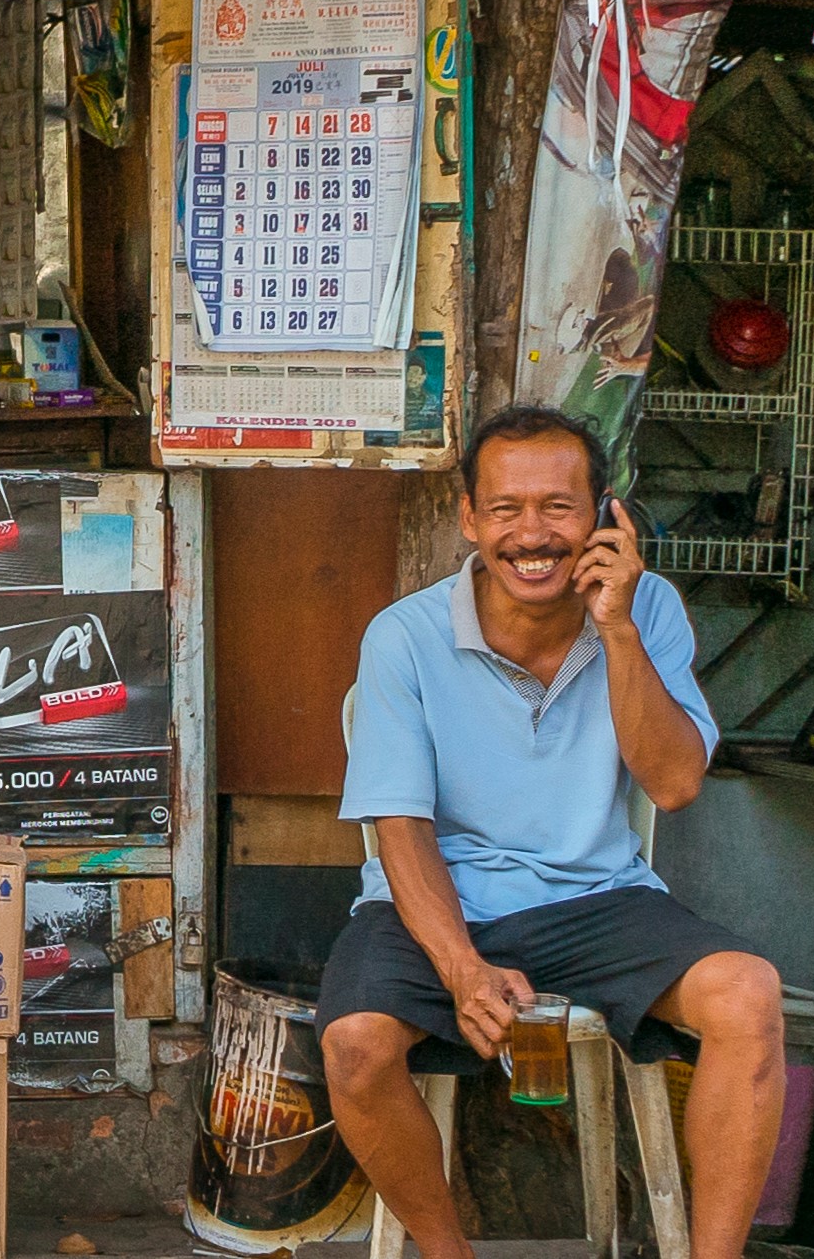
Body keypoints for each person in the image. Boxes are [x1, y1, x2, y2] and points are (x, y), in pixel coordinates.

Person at [323, 405, 784, 1259]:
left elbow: (676, 783)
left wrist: (615, 629)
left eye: (557, 506)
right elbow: (401, 824)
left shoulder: (647, 612)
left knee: (748, 995)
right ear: (468, 517)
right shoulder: (404, 637)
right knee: (355, 1046)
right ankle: (445, 1252)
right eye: (504, 508)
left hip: (596, 896)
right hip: (434, 903)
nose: (530, 533)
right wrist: (461, 968)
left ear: (606, 513)